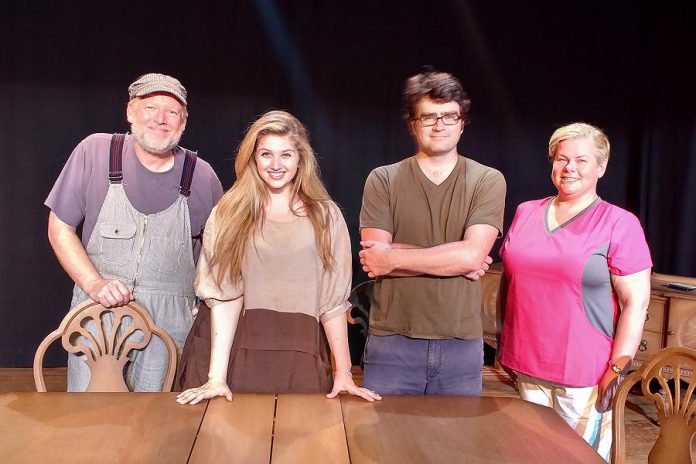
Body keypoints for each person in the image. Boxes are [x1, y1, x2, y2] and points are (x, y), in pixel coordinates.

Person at [176, 110, 380, 404]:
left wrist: (344, 373)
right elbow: (225, 296)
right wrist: (216, 378)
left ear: (300, 159)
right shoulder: (229, 211)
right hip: (230, 352)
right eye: (266, 154)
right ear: (253, 158)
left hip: (298, 351)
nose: (275, 165)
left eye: (285, 155)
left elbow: (332, 302)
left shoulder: (325, 216)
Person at [46, 73, 224, 392]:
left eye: (171, 112)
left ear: (183, 121)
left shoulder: (202, 176)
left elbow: (220, 252)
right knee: (91, 421)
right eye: (150, 107)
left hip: (171, 323)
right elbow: (60, 227)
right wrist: (93, 283)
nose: (160, 119)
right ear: (131, 111)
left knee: (155, 426)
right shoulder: (95, 152)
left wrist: (202, 306)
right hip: (99, 313)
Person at [497, 122, 652, 461]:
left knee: (576, 457)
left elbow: (635, 303)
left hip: (585, 373)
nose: (569, 168)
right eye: (561, 158)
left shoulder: (619, 223)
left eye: (582, 160)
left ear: (601, 167)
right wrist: (503, 343)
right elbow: (508, 285)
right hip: (525, 362)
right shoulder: (526, 212)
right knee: (530, 454)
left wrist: (617, 367)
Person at [358, 70, 506, 395]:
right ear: (413, 124)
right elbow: (374, 258)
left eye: (449, 116)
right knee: (384, 443)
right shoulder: (383, 179)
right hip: (392, 340)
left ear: (463, 122)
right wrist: (457, 257)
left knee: (453, 446)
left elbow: (471, 256)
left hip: (460, 342)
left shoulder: (487, 180)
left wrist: (395, 255)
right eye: (428, 117)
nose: (439, 125)